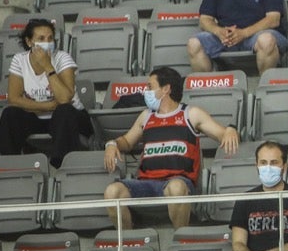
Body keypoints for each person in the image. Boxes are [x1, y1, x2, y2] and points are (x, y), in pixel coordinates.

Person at [102, 66, 241, 230]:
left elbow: (222, 134)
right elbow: (127, 141)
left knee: (176, 187)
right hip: (146, 184)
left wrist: (231, 129)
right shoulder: (146, 116)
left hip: (179, 182)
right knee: (112, 192)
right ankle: (129, 243)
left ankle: (180, 240)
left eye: (149, 87)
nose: (145, 91)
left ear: (166, 89)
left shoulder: (190, 114)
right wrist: (112, 144)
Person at [0, 16, 90, 166]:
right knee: (10, 114)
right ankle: (10, 165)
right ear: (29, 42)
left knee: (64, 110)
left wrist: (48, 67)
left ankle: (60, 166)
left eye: (50, 38)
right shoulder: (19, 60)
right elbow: (14, 99)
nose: (46, 43)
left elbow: (65, 99)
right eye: (41, 38)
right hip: (38, 118)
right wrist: (49, 106)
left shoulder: (62, 58)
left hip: (71, 118)